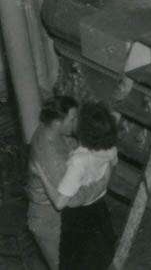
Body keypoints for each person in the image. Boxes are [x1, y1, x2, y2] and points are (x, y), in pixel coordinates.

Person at [34, 101, 119, 270]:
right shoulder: (110, 148)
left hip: (79, 219)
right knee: (99, 259)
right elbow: (112, 165)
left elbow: (59, 203)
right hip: (100, 212)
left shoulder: (78, 161)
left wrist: (41, 174)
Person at [26, 95, 78, 269]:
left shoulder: (49, 129)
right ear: (57, 123)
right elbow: (65, 199)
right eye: (72, 119)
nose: (75, 123)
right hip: (46, 219)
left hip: (54, 213)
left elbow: (69, 147)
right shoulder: (48, 154)